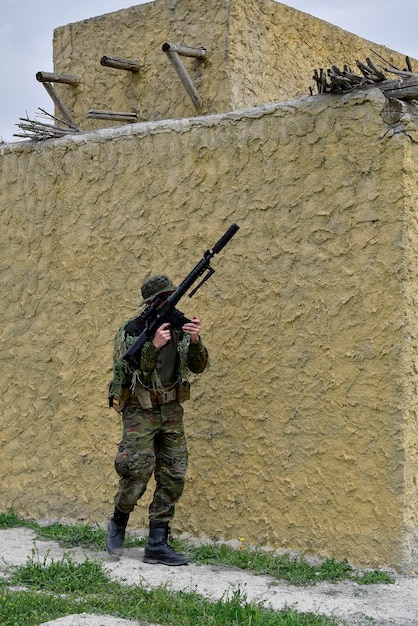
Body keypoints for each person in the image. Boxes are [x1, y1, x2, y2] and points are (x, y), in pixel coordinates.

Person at [106, 274, 209, 565]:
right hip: (140, 410)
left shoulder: (178, 327)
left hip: (171, 411)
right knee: (137, 472)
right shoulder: (133, 330)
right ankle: (118, 521)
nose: (170, 303)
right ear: (152, 303)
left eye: (172, 295)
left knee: (174, 475)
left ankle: (157, 542)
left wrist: (195, 340)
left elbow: (199, 366)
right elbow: (130, 373)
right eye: (165, 298)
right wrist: (153, 345)